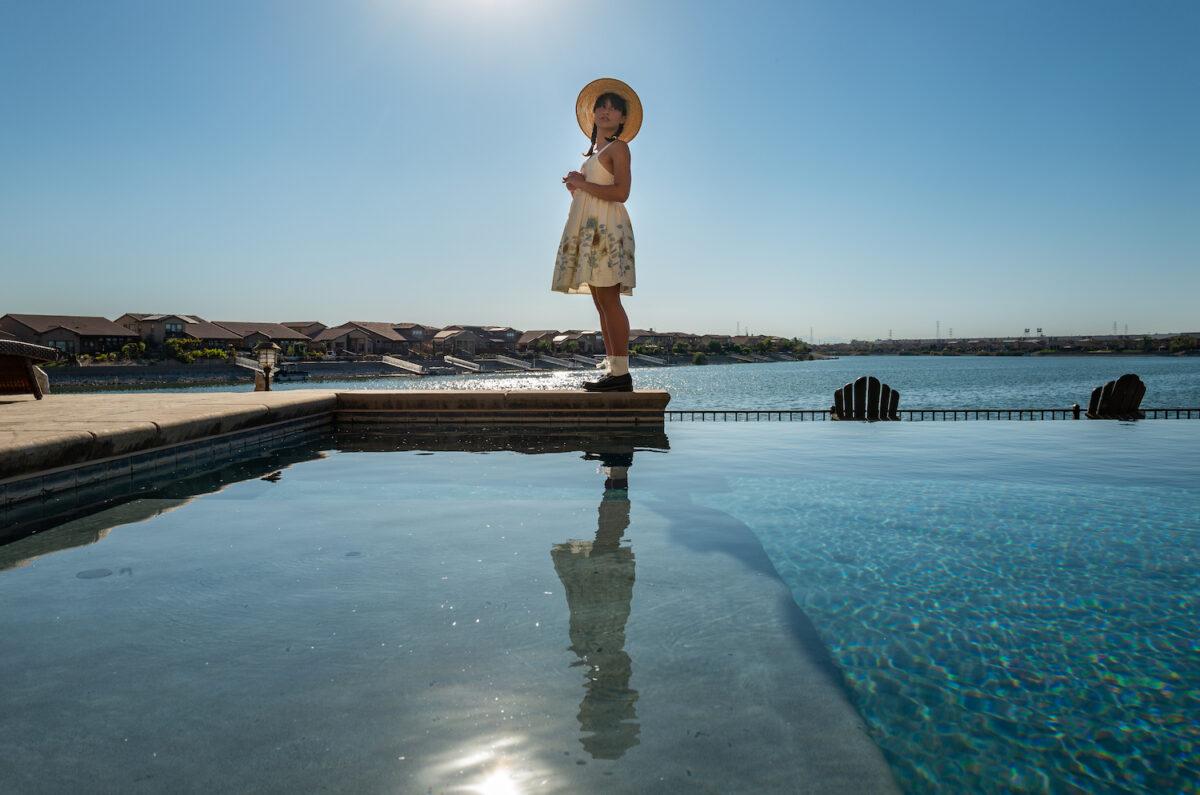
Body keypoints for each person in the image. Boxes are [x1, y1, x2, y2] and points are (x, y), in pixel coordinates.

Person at [551, 78, 643, 393]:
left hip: (608, 229)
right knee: (601, 302)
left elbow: (621, 192)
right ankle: (613, 371)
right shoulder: (593, 152)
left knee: (610, 300)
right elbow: (592, 194)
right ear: (593, 115)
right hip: (592, 230)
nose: (605, 111)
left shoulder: (619, 147)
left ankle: (621, 374)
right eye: (600, 107)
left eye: (612, 108)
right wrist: (575, 186)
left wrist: (583, 182)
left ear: (621, 119)